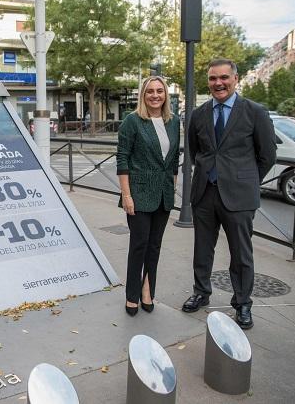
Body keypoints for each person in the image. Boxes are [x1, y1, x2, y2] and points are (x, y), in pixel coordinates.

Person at [182, 58, 276, 330]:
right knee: (202, 249)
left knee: (241, 253)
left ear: (235, 79)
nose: (218, 83)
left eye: (224, 77)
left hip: (239, 197)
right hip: (204, 194)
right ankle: (201, 292)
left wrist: (246, 181)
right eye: (213, 78)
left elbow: (267, 155)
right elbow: (194, 150)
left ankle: (243, 303)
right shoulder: (198, 114)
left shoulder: (255, 111)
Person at [117, 76, 180, 316]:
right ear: (143, 95)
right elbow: (122, 158)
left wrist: (172, 188)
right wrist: (127, 195)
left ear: (165, 95)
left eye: (160, 91)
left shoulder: (173, 122)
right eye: (150, 91)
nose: (155, 95)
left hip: (163, 195)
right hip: (139, 194)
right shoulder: (132, 121)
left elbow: (173, 159)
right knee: (139, 246)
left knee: (154, 246)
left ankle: (147, 290)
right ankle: (132, 295)